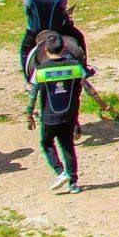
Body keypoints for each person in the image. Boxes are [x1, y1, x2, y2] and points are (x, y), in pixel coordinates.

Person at [26, 30, 84, 193]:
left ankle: (60, 171)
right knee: (68, 146)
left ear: (45, 50)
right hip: (69, 115)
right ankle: (73, 183)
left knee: (46, 143)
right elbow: (85, 86)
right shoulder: (76, 67)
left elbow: (33, 95)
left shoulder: (40, 71)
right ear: (64, 48)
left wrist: (29, 114)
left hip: (49, 116)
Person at [19, 0, 88, 75]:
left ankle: (28, 77)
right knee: (79, 38)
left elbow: (28, 10)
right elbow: (63, 7)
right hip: (59, 29)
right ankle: (85, 67)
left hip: (36, 31)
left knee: (25, 50)